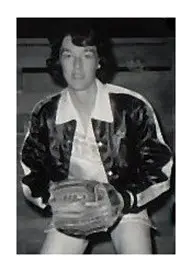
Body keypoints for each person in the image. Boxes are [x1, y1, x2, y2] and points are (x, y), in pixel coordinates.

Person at [20, 23, 173, 254]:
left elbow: (160, 167)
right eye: (68, 55)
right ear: (58, 61)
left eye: (87, 55)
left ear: (99, 60)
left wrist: (123, 199)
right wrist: (53, 198)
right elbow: (32, 171)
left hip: (126, 206)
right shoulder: (45, 113)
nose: (77, 66)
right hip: (73, 207)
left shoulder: (131, 106)